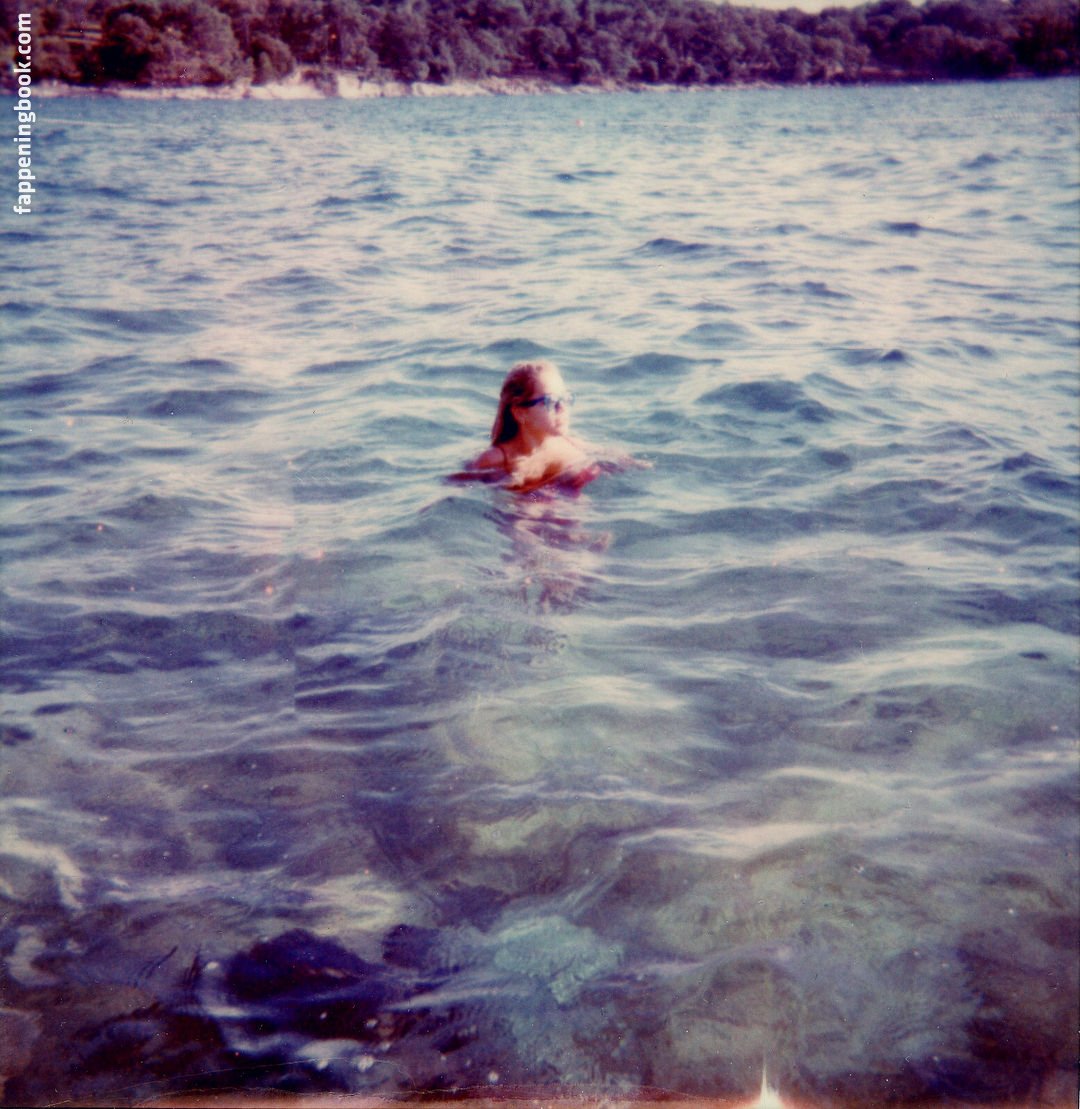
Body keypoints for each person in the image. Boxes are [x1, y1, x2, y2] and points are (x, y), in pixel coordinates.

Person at [458, 360, 602, 493]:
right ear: (520, 413)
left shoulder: (571, 445)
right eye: (550, 401)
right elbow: (459, 484)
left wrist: (594, 470)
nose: (562, 408)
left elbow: (612, 460)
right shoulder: (496, 459)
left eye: (564, 399)